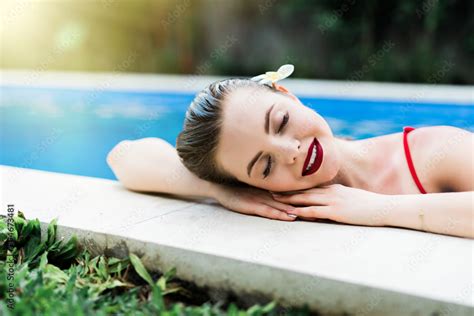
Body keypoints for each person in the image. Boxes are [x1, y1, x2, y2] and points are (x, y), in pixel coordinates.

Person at [107, 65, 473, 238]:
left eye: (280, 121)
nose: (291, 151)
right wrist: (218, 190)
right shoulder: (271, 196)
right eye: (264, 166)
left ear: (288, 95)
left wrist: (377, 208)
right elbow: (123, 156)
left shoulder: (429, 152)